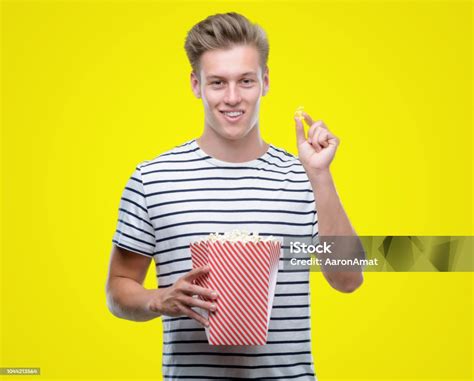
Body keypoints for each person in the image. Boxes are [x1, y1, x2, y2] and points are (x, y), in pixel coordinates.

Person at [106, 12, 363, 380]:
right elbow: (118, 288)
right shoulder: (153, 179)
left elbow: (348, 279)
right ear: (196, 85)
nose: (232, 98)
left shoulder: (302, 176)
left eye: (245, 81)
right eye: (217, 82)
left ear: (266, 81)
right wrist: (158, 299)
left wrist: (319, 175)